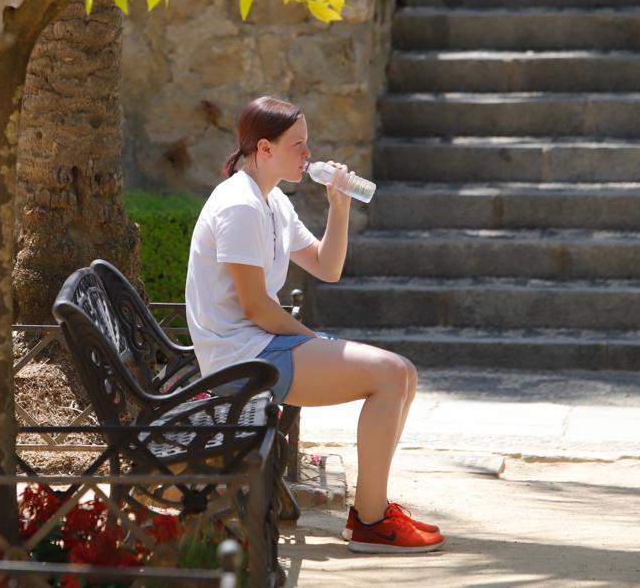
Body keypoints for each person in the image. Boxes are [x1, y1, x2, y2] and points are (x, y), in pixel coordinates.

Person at [184, 95, 445, 554]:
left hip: (263, 346)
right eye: (298, 145)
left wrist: (339, 206)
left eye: (308, 144)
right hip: (242, 360)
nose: (308, 154)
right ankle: (371, 520)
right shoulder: (239, 206)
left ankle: (372, 513)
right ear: (264, 149)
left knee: (403, 372)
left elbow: (327, 267)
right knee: (390, 373)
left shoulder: (273, 203)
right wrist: (317, 340)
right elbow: (256, 307)